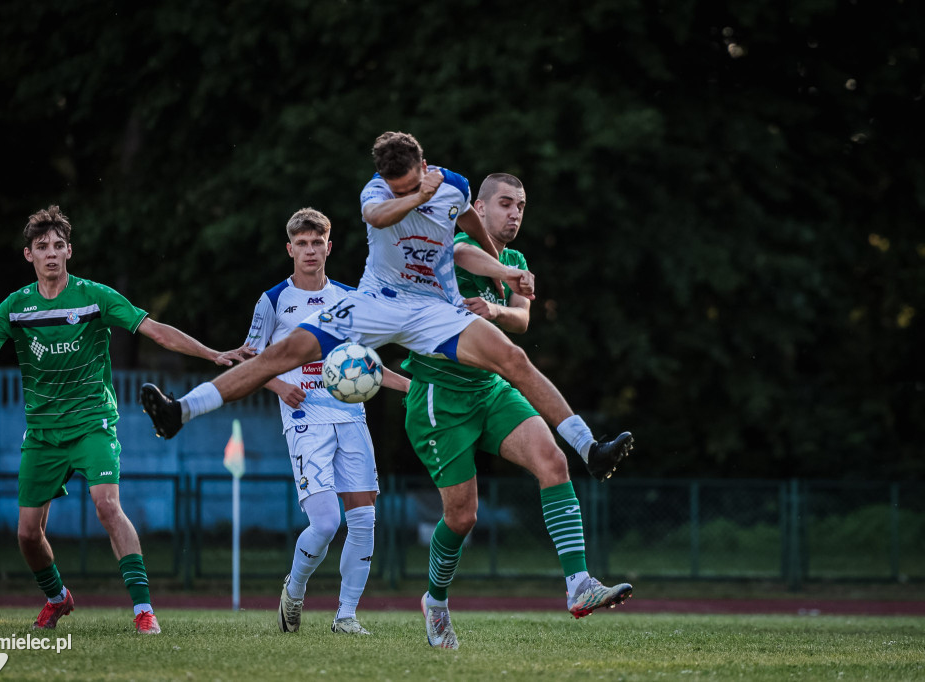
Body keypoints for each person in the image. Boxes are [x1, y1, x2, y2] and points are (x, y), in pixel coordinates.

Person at [139, 132, 632, 541]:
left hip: (433, 310)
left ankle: (590, 449)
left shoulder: (455, 185)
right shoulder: (377, 193)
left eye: (409, 183)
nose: (398, 191)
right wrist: (416, 194)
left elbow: (468, 220)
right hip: (375, 303)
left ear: (423, 163)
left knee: (512, 358)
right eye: (394, 186)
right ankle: (179, 412)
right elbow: (379, 217)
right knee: (283, 353)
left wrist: (502, 270)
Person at [0, 206, 240, 635]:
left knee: (106, 505)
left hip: (92, 423)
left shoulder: (94, 297)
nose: (51, 254)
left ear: (69, 252)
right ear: (29, 255)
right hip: (42, 435)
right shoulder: (16, 306)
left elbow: (155, 330)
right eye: (42, 247)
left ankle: (143, 610)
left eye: (58, 246)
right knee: (28, 535)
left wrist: (213, 355)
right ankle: (57, 598)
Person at [403, 173, 632, 650]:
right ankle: (436, 600)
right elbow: (465, 255)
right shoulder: (458, 239)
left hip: (488, 389)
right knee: (463, 518)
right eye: (505, 203)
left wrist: (495, 308)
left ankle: (579, 584)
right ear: (479, 209)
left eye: (521, 206)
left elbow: (523, 318)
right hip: (438, 398)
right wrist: (503, 278)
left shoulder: (517, 259)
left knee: (552, 462)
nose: (514, 213)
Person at [229, 208, 409, 636]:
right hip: (304, 417)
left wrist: (414, 388)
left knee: (364, 520)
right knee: (326, 523)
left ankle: (345, 616)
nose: (310, 250)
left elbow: (368, 366)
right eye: (302, 244)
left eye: (317, 243)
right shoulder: (273, 300)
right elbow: (247, 360)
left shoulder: (350, 299)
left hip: (351, 417)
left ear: (330, 246)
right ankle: (295, 589)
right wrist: (278, 385)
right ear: (290, 249)